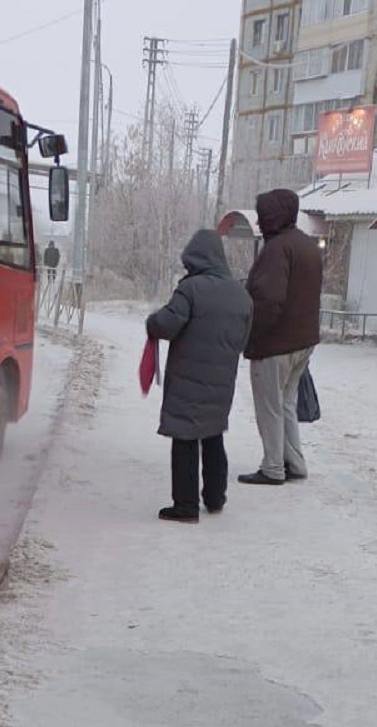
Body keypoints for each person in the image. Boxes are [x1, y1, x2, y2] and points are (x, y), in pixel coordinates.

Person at [146, 229, 253, 524]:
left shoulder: (190, 290)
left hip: (188, 380)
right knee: (213, 434)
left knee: (185, 438)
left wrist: (151, 322)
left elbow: (167, 325)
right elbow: (244, 338)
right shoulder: (240, 294)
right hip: (221, 383)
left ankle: (186, 506)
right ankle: (215, 498)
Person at [238, 188, 323, 487]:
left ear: (273, 215)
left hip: (276, 343)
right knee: (287, 402)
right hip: (304, 341)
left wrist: (252, 336)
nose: (259, 222)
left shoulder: (276, 249)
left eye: (263, 215)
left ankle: (273, 466)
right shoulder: (307, 245)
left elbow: (269, 300)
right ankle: (295, 462)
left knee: (270, 405)